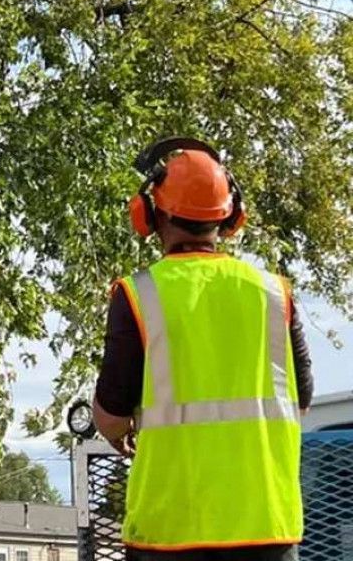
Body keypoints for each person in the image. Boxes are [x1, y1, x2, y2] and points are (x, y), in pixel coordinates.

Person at [93, 137, 314, 561]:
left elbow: (109, 418)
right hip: (268, 531)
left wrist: (122, 433)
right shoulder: (274, 294)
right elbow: (300, 402)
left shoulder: (139, 295)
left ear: (151, 213)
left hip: (170, 533)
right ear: (231, 216)